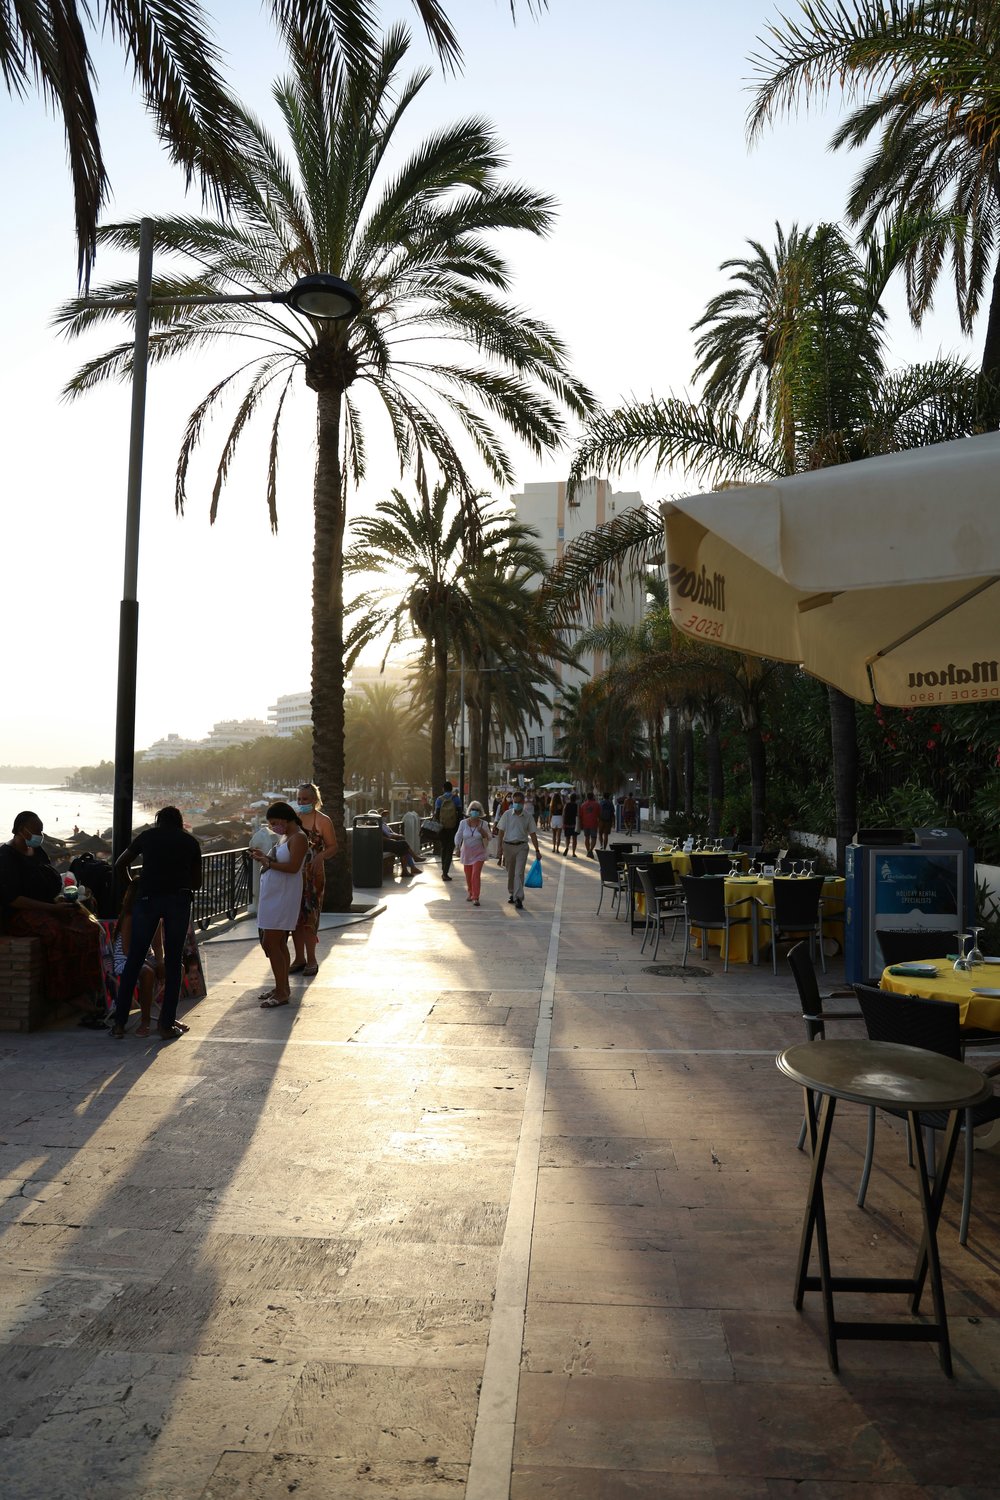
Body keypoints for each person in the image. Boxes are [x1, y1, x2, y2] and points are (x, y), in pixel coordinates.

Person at [0, 810, 103, 1015]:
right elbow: (13, 899)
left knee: (89, 927)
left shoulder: (37, 852)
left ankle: (91, 988)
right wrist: (52, 908)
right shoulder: (6, 857)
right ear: (22, 830)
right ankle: (64, 993)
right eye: (37, 831)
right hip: (20, 914)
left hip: (51, 906)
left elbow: (51, 880)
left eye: (42, 831)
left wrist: (64, 899)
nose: (41, 836)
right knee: (56, 932)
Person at [112, 806, 202, 1040]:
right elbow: (197, 882)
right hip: (178, 901)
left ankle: (119, 1024)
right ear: (180, 822)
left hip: (147, 899)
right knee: (173, 962)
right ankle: (165, 1025)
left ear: (158, 821)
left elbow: (120, 864)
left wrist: (134, 885)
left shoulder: (147, 837)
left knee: (135, 960)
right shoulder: (190, 842)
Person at [249, 801, 308, 1009]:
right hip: (274, 896)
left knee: (271, 943)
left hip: (284, 898)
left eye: (275, 822)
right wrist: (265, 857)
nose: (273, 827)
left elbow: (293, 867)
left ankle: (282, 991)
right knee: (276, 943)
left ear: (285, 818)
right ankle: (281, 986)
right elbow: (280, 861)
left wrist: (268, 863)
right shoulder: (286, 837)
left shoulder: (299, 838)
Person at [291, 782, 338, 977]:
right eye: (299, 799)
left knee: (310, 918)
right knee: (294, 919)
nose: (302, 802)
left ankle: (311, 959)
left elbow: (333, 846)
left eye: (306, 799)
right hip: (294, 875)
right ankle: (299, 958)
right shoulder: (294, 819)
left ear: (315, 800)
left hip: (314, 877)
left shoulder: (323, 820)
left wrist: (320, 856)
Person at [110, 883, 164, 1036]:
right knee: (147, 972)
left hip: (146, 956)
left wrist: (160, 962)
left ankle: (166, 1017)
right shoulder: (129, 917)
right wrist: (149, 964)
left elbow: (158, 946)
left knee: (175, 968)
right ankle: (145, 1021)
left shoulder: (155, 916)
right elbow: (127, 951)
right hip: (125, 959)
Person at [495, 790, 541, 910]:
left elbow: (533, 834)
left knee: (519, 873)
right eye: (515, 802)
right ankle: (512, 893)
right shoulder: (507, 815)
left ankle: (518, 897)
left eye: (520, 802)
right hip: (508, 846)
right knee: (510, 872)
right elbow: (501, 831)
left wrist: (537, 850)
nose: (517, 804)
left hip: (522, 847)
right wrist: (499, 848)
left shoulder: (528, 816)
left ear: (523, 802)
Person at [454, 799, 491, 906]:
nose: (475, 811)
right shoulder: (463, 823)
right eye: (473, 809)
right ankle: (470, 892)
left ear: (480, 812)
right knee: (468, 874)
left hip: (479, 853)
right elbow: (458, 835)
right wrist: (457, 847)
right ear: (469, 811)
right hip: (466, 853)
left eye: (477, 810)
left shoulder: (484, 824)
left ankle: (476, 896)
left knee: (475, 874)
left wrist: (483, 832)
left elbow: (489, 837)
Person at [377, 808, 421, 877]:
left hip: (388, 843)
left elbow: (390, 833)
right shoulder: (378, 825)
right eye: (383, 815)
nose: (385, 817)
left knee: (403, 848)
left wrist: (397, 836)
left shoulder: (384, 824)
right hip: (384, 845)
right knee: (404, 844)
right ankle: (414, 860)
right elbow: (387, 835)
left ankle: (407, 870)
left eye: (385, 815)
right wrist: (396, 837)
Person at [434, 781, 463, 881]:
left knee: (443, 848)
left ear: (443, 789)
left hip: (442, 828)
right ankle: (445, 872)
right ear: (451, 788)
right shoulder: (456, 799)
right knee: (450, 849)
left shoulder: (439, 799)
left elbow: (437, 814)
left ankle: (443, 870)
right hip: (452, 828)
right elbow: (460, 814)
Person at [578, 791, 601, 858]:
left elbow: (580, 816)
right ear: (593, 796)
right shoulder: (597, 804)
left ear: (587, 797)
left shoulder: (583, 805)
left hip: (585, 823)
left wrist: (580, 824)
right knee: (593, 838)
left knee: (587, 838)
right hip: (594, 823)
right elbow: (599, 815)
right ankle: (590, 850)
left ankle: (588, 850)